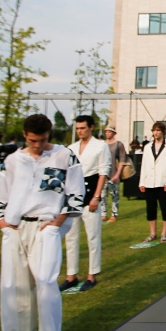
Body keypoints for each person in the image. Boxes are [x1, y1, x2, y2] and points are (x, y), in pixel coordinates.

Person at [0, 113, 84, 331]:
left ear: (49, 135)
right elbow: (2, 193)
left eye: (42, 140)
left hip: (46, 227)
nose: (37, 145)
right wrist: (3, 223)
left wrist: (57, 222)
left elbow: (76, 192)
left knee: (45, 282)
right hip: (17, 227)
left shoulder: (64, 156)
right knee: (19, 285)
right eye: (33, 140)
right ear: (25, 135)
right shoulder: (12, 160)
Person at [63, 115, 110, 292]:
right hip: (73, 196)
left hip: (91, 194)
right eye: (77, 128)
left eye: (83, 128)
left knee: (92, 236)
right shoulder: (71, 148)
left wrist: (96, 197)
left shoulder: (100, 146)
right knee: (71, 237)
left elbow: (103, 173)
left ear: (91, 127)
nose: (80, 131)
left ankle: (92, 274)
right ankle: (71, 275)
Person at [139, 121, 166, 243]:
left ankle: (164, 233)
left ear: (163, 132)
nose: (155, 133)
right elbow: (144, 165)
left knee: (165, 208)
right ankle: (152, 233)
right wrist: (142, 182)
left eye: (158, 130)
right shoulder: (147, 147)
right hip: (150, 182)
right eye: (154, 130)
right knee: (151, 208)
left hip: (163, 182)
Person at [102, 126, 127, 223]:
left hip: (114, 173)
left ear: (113, 133)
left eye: (109, 132)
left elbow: (122, 160)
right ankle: (103, 214)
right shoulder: (102, 144)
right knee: (103, 195)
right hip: (103, 174)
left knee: (114, 195)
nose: (107, 133)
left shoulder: (118, 145)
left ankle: (114, 214)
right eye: (106, 132)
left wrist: (118, 174)